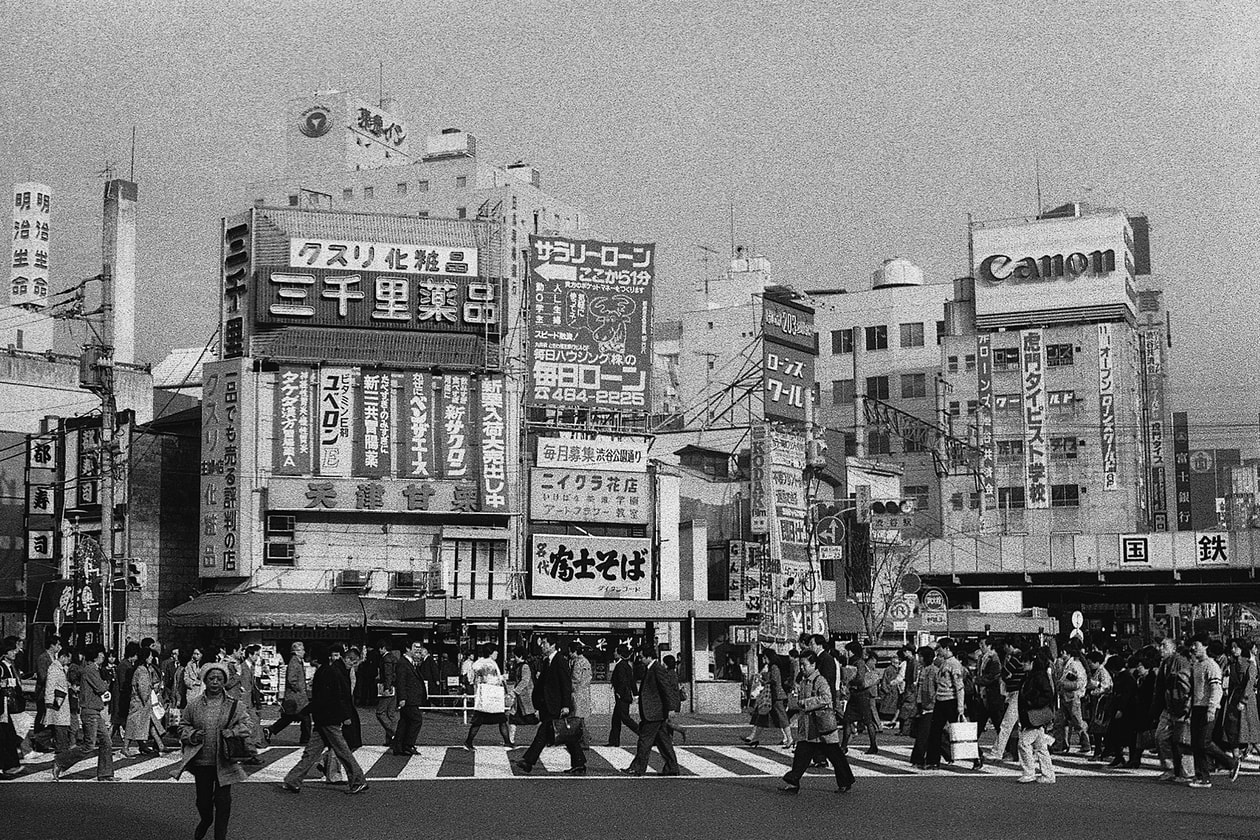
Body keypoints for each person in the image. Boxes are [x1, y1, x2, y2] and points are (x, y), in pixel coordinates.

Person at [169, 661, 256, 839]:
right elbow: (182, 726)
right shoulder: (193, 704)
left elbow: (248, 725)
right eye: (211, 678)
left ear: (224, 681)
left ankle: (220, 836)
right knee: (203, 802)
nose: (215, 682)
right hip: (202, 761)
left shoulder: (234, 705)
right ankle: (206, 820)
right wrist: (192, 735)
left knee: (223, 802)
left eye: (219, 678)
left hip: (225, 760)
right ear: (205, 681)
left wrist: (232, 732)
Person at [280, 645, 367, 795]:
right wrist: (345, 715)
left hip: (326, 717)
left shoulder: (329, 671)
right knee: (329, 750)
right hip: (328, 717)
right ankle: (293, 780)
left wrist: (306, 710)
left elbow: (326, 697)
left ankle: (293, 780)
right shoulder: (335, 671)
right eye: (353, 663)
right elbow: (340, 696)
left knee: (323, 752)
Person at [777, 650, 855, 793]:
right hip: (809, 727)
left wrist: (805, 703)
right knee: (802, 753)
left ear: (813, 665)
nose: (801, 668)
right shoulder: (804, 681)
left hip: (822, 726)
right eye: (800, 665)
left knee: (835, 754)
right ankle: (793, 781)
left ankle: (846, 781)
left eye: (804, 665)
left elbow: (826, 698)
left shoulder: (820, 680)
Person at [516, 633, 585, 775]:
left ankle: (528, 761)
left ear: (552, 645)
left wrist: (566, 705)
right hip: (549, 704)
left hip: (557, 706)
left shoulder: (560, 660)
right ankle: (579, 763)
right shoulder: (547, 661)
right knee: (567, 735)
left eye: (545, 643)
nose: (542, 646)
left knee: (545, 733)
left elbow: (566, 684)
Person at [52, 644, 115, 781]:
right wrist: (107, 680)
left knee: (106, 741)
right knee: (89, 745)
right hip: (89, 711)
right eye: (101, 654)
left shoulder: (94, 669)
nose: (103, 657)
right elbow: (101, 688)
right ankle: (60, 761)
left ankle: (105, 773)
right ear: (96, 656)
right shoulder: (90, 670)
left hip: (95, 710)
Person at [1188, 632, 1239, 787]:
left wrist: (1211, 708)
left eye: (1196, 645)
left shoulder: (1211, 666)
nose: (1193, 648)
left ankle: (1231, 763)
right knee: (1196, 743)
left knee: (1204, 742)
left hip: (1208, 707)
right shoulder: (1196, 665)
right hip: (1197, 707)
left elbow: (1216, 688)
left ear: (1205, 646)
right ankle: (1202, 776)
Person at [623, 646, 680, 776]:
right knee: (663, 742)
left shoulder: (657, 669)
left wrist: (671, 708)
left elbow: (666, 689)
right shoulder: (651, 668)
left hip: (654, 713)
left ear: (649, 657)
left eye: (642, 657)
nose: (640, 659)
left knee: (644, 740)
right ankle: (672, 767)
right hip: (656, 713)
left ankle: (638, 768)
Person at [1152, 636, 1194, 782]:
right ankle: (1170, 767)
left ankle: (1187, 772)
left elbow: (1186, 684)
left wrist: (1185, 704)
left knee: (1182, 740)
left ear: (1173, 648)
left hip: (1180, 705)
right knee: (1160, 737)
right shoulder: (1164, 663)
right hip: (1168, 706)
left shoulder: (1180, 661)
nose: (1160, 649)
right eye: (1160, 646)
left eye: (1164, 646)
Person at [1017, 647, 1056, 784]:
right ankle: (1048, 774)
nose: (1023, 664)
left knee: (1024, 743)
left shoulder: (1038, 676)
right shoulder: (1034, 676)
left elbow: (1048, 695)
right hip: (1033, 716)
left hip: (1034, 715)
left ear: (1032, 662)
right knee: (1041, 747)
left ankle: (1029, 772)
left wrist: (1032, 702)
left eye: (1025, 662)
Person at [463, 644, 512, 750]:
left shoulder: (477, 663)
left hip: (483, 695)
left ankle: (469, 742)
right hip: (492, 695)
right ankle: (507, 742)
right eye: (495, 651)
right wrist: (502, 677)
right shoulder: (489, 664)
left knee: (478, 721)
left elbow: (472, 677)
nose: (497, 653)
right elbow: (491, 679)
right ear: (491, 652)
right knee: (501, 719)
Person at [1223, 638, 1260, 766]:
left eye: (1236, 647)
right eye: (1232, 647)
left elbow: (1250, 684)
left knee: (1250, 732)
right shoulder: (1232, 665)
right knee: (1231, 728)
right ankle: (1236, 758)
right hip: (1234, 698)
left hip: (1247, 701)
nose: (1233, 650)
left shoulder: (1250, 664)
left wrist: (1243, 701)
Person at [125, 647, 166, 757]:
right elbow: (142, 688)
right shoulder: (142, 670)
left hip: (142, 702)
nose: (152, 657)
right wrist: (146, 699)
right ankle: (125, 748)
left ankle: (159, 745)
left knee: (149, 724)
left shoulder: (145, 669)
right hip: (140, 703)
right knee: (133, 724)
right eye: (150, 655)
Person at [267, 642, 311, 745]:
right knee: (305, 717)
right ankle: (305, 739)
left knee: (289, 718)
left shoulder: (298, 662)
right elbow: (292, 680)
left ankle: (271, 729)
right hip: (296, 697)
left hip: (297, 697)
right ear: (296, 651)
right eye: (302, 650)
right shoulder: (294, 662)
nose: (304, 652)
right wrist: (299, 689)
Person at [1050, 642, 1090, 755]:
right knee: (1059, 721)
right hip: (1064, 696)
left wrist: (1065, 685)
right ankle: (1060, 744)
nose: (1061, 654)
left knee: (1077, 721)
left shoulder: (1075, 665)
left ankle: (1085, 743)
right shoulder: (1064, 664)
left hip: (1073, 696)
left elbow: (1081, 682)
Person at [842, 641, 880, 755]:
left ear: (851, 651)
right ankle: (844, 746)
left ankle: (872, 745)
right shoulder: (856, 661)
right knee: (850, 720)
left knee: (862, 721)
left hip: (860, 694)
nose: (846, 653)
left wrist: (849, 680)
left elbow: (859, 678)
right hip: (858, 695)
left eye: (847, 651)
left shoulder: (858, 662)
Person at [988, 642, 1025, 762]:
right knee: (1022, 726)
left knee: (1006, 725)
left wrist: (1006, 676)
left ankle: (997, 752)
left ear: (1010, 645)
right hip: (1020, 694)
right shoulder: (1020, 657)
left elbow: (1003, 673)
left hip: (1016, 694)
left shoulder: (1015, 658)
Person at [391, 639, 428, 756]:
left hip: (411, 698)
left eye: (419, 648)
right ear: (408, 649)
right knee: (416, 720)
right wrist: (402, 698)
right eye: (415, 648)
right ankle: (408, 744)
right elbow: (401, 682)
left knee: (404, 721)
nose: (418, 650)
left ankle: (398, 746)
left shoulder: (411, 662)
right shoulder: (403, 663)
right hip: (408, 698)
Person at [909, 645, 938, 768]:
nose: (919, 658)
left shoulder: (934, 670)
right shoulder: (923, 670)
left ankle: (918, 760)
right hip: (922, 705)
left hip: (931, 706)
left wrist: (933, 701)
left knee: (923, 735)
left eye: (920, 656)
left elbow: (937, 688)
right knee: (929, 734)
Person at [0, 636, 24, 777]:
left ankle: (10, 765)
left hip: (6, 708)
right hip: (2, 707)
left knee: (8, 736)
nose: (15, 652)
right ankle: (7, 766)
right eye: (12, 650)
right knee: (4, 737)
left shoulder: (10, 666)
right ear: (6, 652)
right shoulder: (1, 667)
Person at [607, 644, 639, 747]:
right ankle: (613, 741)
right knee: (616, 719)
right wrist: (635, 693)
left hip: (622, 696)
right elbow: (632, 681)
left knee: (625, 718)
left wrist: (619, 693)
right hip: (624, 695)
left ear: (620, 654)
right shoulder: (626, 665)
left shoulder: (621, 666)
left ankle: (644, 735)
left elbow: (623, 681)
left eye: (616, 651)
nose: (614, 653)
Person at [43, 646, 73, 756]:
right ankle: (61, 750)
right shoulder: (54, 668)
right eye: (68, 658)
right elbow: (50, 686)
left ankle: (38, 741)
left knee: (58, 726)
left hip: (61, 702)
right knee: (60, 726)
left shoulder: (62, 668)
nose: (69, 661)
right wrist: (49, 702)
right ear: (63, 657)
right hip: (56, 703)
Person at [33, 634, 59, 735]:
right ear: (52, 645)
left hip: (52, 691)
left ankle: (46, 737)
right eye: (57, 645)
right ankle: (38, 736)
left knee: (50, 716)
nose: (59, 647)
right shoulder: (43, 658)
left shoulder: (54, 658)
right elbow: (43, 676)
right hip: (43, 692)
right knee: (42, 715)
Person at [374, 638, 399, 747]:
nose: (379, 651)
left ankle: (395, 734)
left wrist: (386, 688)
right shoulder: (394, 658)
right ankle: (390, 740)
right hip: (394, 686)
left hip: (387, 687)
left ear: (383, 648)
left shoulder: (386, 659)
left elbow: (388, 674)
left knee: (380, 712)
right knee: (391, 714)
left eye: (380, 649)